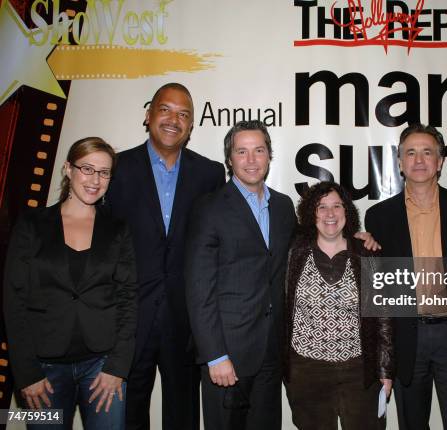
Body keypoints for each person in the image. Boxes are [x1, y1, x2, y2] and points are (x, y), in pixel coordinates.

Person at [105, 83, 225, 429]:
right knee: (129, 416)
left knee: (183, 415)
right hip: (129, 321)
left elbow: (226, 237)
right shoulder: (116, 169)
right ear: (148, 115)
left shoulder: (211, 174)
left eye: (184, 114)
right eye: (166, 109)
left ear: (191, 125)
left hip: (185, 322)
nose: (174, 119)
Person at [4, 137, 138, 429]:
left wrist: (118, 367)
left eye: (104, 173)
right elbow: (14, 302)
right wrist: (27, 374)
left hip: (102, 368)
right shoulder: (31, 225)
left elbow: (129, 299)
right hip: (43, 372)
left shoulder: (118, 229)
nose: (95, 180)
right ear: (68, 169)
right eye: (87, 169)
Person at [364, 124, 447, 430]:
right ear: (399, 162)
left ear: (440, 161)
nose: (418, 160)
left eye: (427, 152)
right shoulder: (378, 216)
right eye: (410, 152)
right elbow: (376, 280)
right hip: (406, 335)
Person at [184, 120, 296, 430]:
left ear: (269, 156)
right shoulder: (209, 208)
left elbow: (307, 249)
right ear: (229, 159)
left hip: (271, 353)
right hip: (227, 354)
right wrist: (215, 355)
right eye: (241, 151)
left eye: (259, 150)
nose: (251, 160)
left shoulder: (284, 207)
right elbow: (198, 288)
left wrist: (359, 238)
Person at [283, 181, 393, 430]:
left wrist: (385, 370)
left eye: (336, 206)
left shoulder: (367, 254)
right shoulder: (294, 251)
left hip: (359, 370)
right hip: (306, 371)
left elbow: (383, 316)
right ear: (312, 213)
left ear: (347, 212)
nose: (330, 214)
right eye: (322, 207)